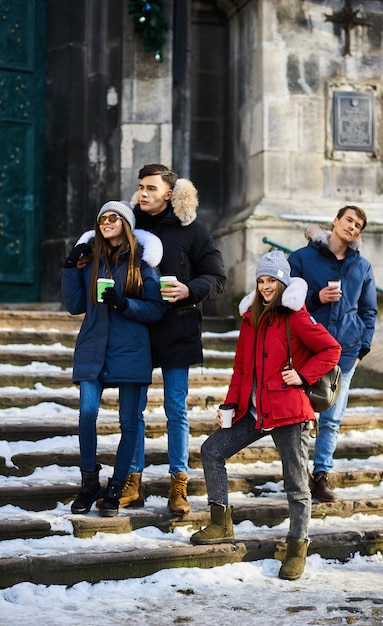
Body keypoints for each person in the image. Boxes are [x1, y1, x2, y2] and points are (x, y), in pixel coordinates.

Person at [189, 251, 341, 581]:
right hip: (253, 412)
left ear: (283, 281)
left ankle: (297, 547)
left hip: (289, 413)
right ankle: (220, 523)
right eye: (261, 280)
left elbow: (331, 350)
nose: (266, 286)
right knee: (211, 451)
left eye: (271, 280)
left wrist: (302, 376)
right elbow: (241, 368)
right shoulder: (251, 320)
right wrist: (230, 405)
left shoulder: (296, 316)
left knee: (297, 485)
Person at [124, 163, 227, 515]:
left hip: (178, 328)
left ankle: (177, 485)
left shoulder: (193, 230)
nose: (143, 193)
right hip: (135, 329)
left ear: (169, 194)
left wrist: (189, 288)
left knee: (175, 411)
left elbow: (216, 275)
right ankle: (131, 482)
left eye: (151, 188)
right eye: (141, 187)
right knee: (132, 412)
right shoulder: (129, 226)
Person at [61, 201, 166, 517]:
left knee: (128, 421)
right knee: (87, 414)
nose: (106, 222)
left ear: (126, 224)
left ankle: (116, 487)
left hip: (130, 349)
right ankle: (89, 482)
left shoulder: (142, 264)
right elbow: (75, 305)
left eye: (113, 217)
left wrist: (125, 304)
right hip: (93, 347)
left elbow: (157, 309)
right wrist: (69, 269)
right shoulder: (89, 260)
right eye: (102, 218)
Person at [288, 206, 377, 502]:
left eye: (358, 225)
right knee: (299, 416)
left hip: (345, 353)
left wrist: (362, 347)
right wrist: (317, 298)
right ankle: (297, 473)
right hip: (307, 351)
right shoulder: (302, 258)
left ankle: (321, 475)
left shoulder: (361, 267)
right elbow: (285, 300)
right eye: (348, 220)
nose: (352, 227)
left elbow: (368, 311)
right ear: (335, 221)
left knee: (332, 418)